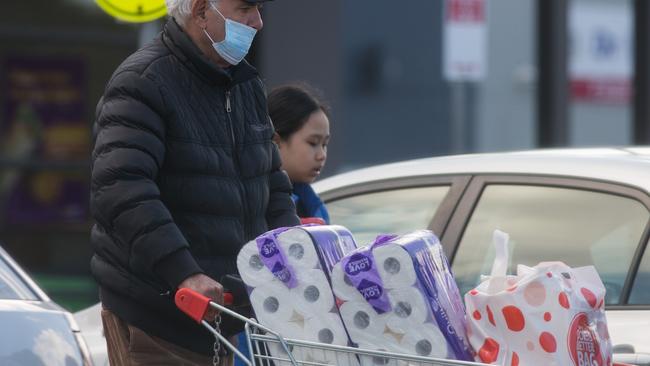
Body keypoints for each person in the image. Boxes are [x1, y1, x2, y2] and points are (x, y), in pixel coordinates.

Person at [90, 0, 299, 364]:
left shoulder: (243, 85)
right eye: (247, 8)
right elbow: (123, 190)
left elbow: (272, 184)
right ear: (202, 10)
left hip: (222, 318)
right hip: (158, 317)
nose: (259, 22)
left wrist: (299, 253)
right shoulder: (143, 82)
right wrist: (184, 273)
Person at [268, 84, 331, 224]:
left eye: (324, 144)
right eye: (313, 143)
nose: (322, 155)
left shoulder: (310, 203)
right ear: (276, 142)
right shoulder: (256, 205)